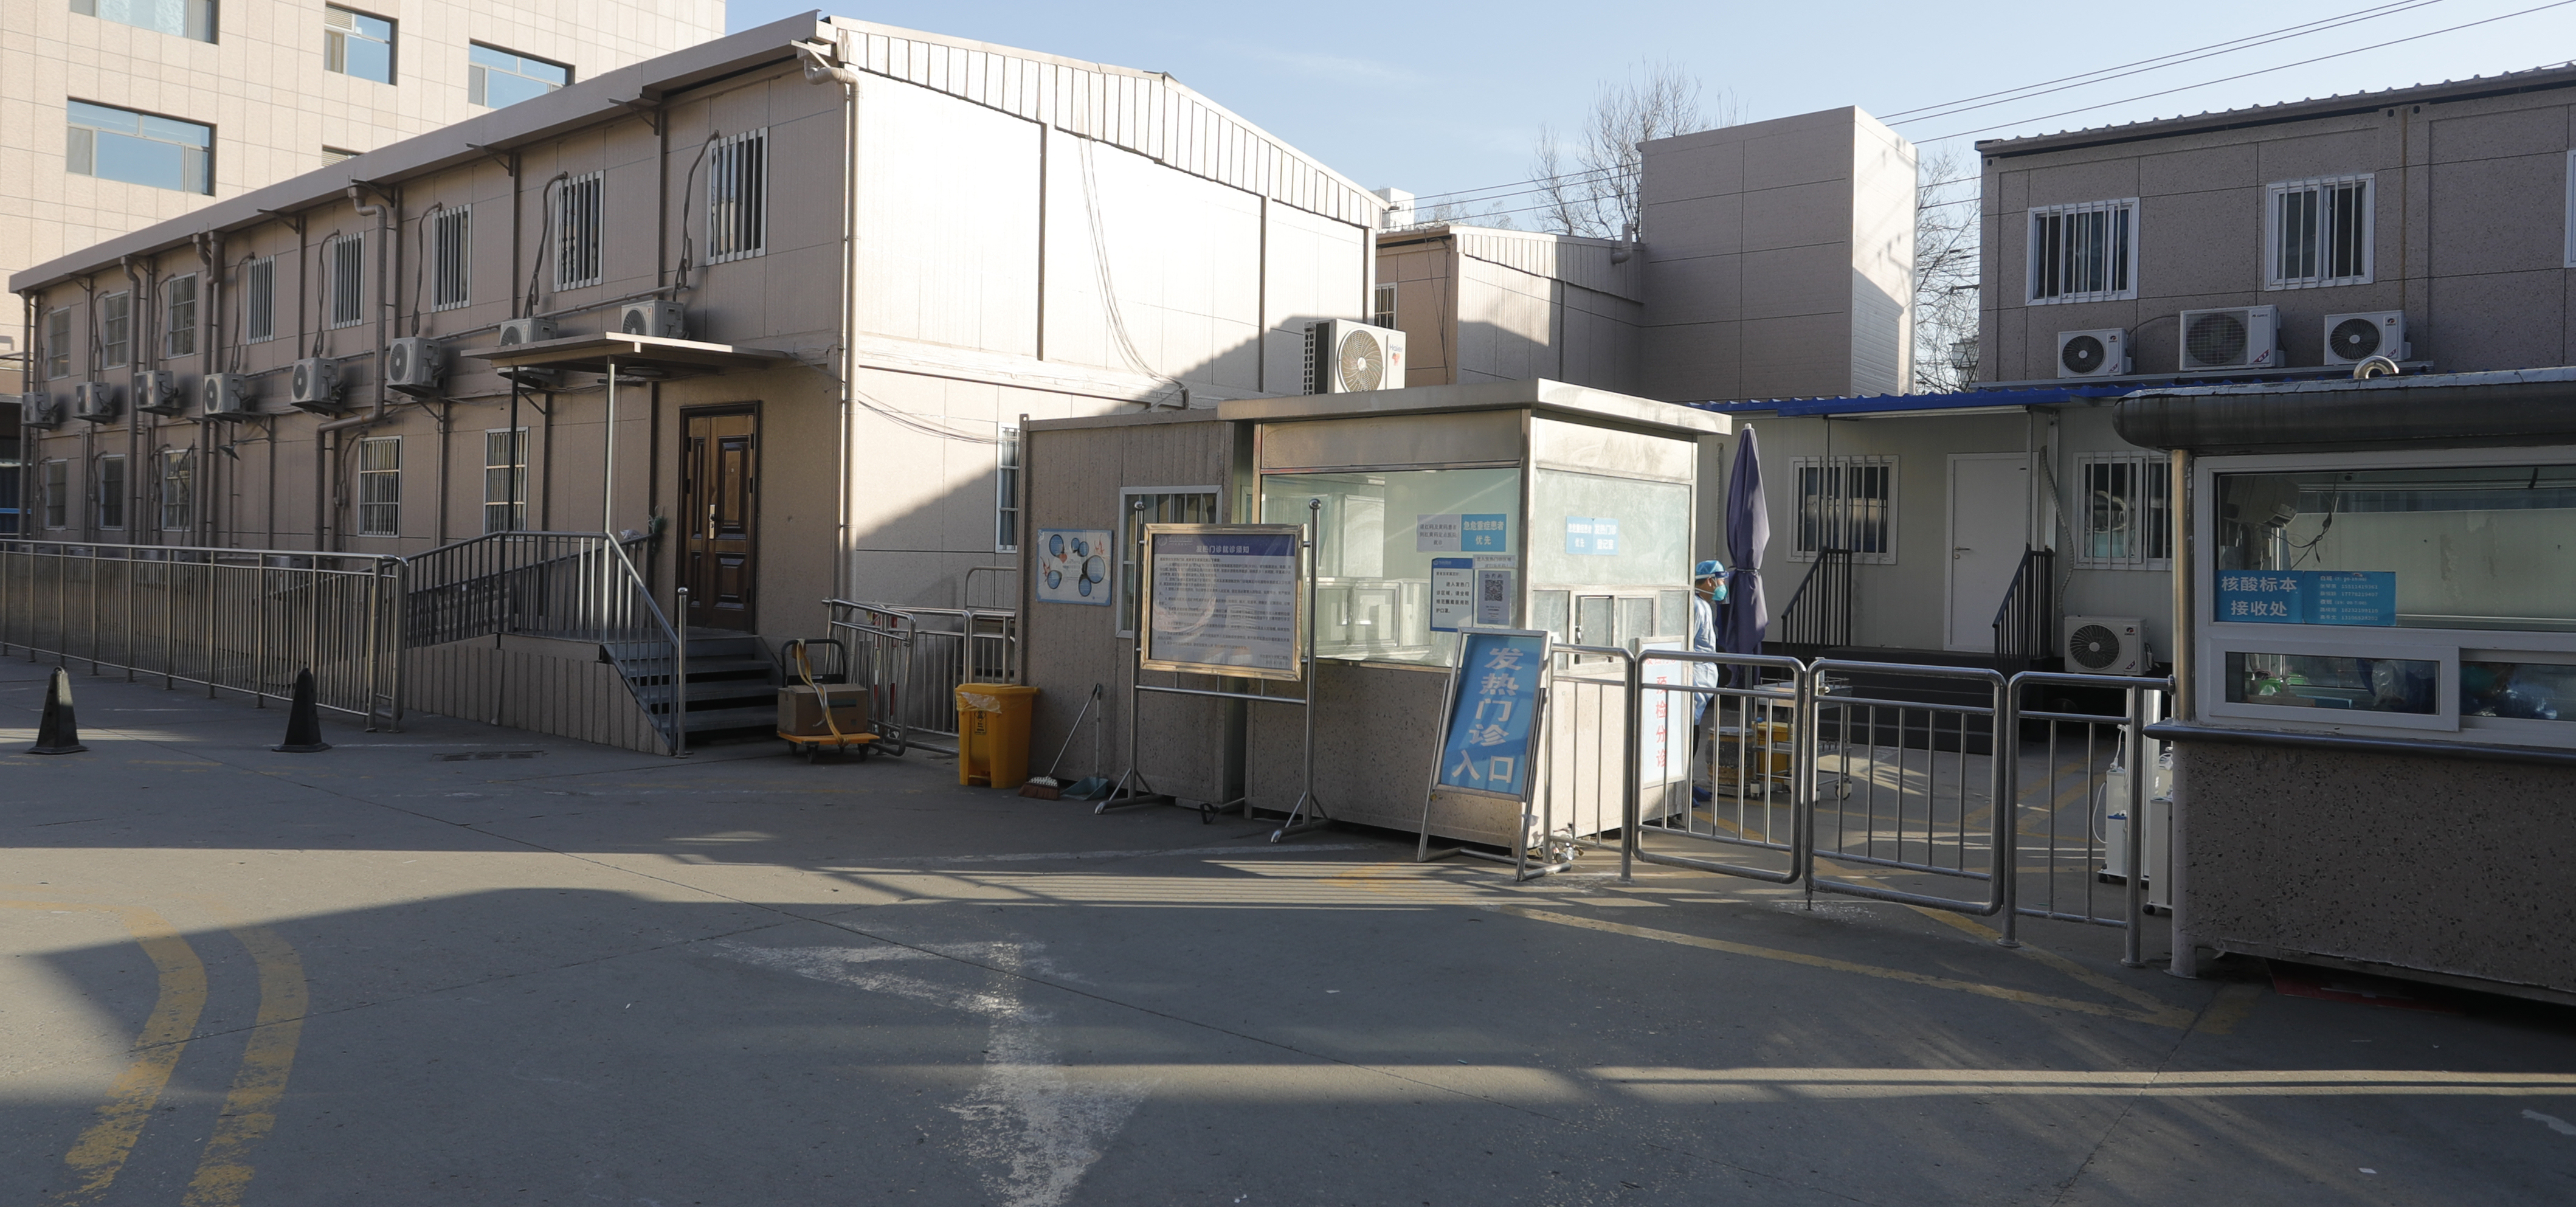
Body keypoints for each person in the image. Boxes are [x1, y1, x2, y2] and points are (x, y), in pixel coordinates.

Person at [1689, 559, 1726, 803]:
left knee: (1694, 730)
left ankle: (1688, 782)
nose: (1723, 586)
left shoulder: (1703, 605)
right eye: (1721, 580)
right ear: (1710, 581)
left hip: (1702, 678)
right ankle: (1682, 785)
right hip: (1694, 677)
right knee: (1689, 733)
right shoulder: (1696, 606)